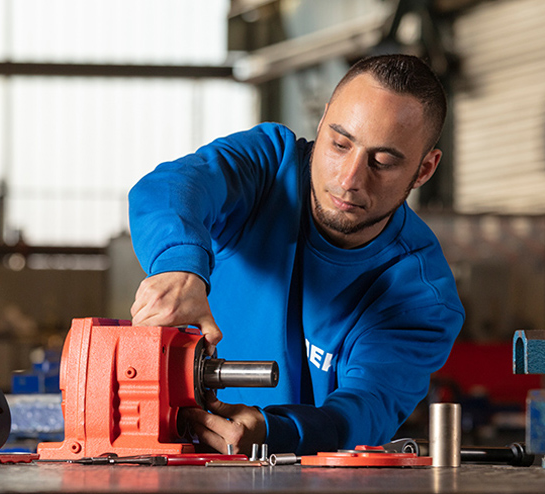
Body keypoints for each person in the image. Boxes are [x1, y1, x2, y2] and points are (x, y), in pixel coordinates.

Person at [127, 54, 465, 455]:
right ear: (322, 123)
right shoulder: (268, 167)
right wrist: (179, 265)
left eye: (383, 162)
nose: (349, 179)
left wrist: (276, 430)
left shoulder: (419, 297)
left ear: (424, 170)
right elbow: (170, 188)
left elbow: (364, 410)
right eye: (339, 144)